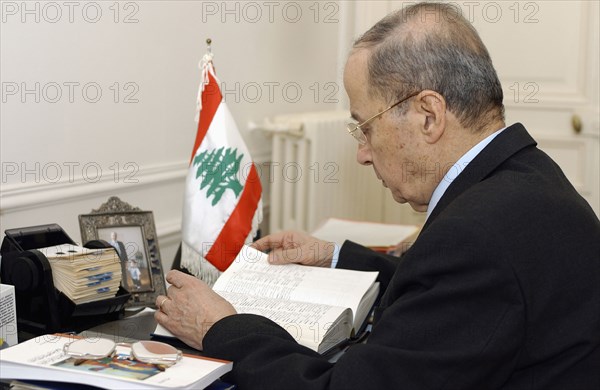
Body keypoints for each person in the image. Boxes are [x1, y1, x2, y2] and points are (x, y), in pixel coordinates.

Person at [155, 3, 600, 389]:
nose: (363, 154)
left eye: (365, 127)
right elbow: (452, 291)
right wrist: (333, 257)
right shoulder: (524, 177)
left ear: (429, 116)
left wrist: (222, 327)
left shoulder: (477, 234)